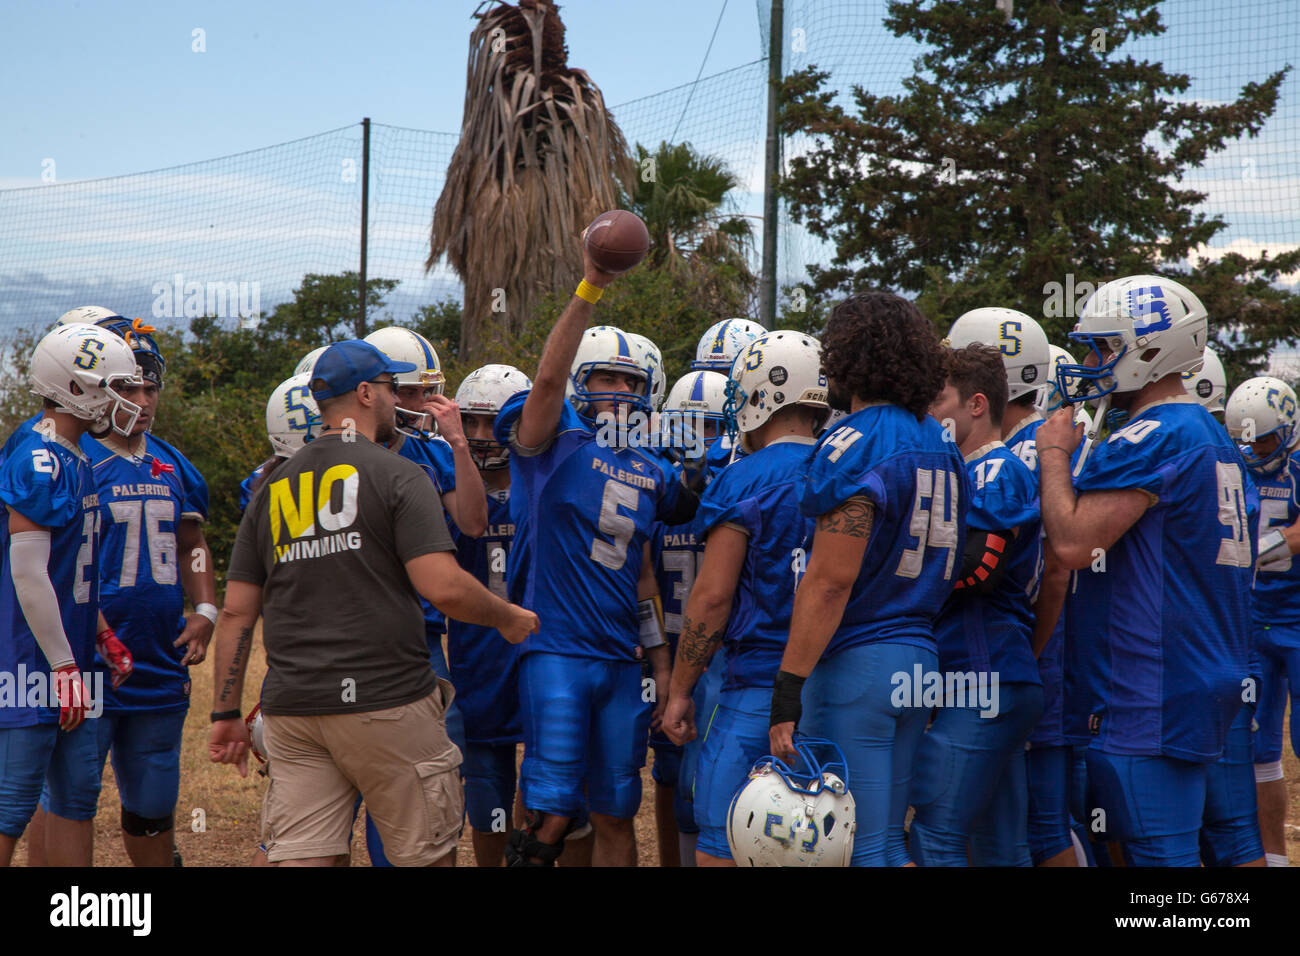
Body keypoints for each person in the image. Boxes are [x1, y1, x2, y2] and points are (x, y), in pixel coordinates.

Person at [208, 339, 537, 867]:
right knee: (422, 853)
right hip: (384, 696)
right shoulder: (396, 472)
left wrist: (224, 710)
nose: (397, 401)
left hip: (295, 705)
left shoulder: (274, 486)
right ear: (365, 394)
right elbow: (444, 586)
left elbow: (237, 612)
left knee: (305, 856)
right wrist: (508, 617)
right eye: (389, 389)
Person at [495, 244, 700, 867]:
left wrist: (663, 668)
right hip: (554, 647)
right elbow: (549, 380)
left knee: (616, 808)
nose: (618, 391)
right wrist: (589, 287)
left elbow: (641, 572)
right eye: (606, 378)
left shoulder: (651, 470)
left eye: (631, 381)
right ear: (583, 384)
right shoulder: (549, 446)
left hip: (619, 660)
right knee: (549, 808)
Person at [1040, 275, 1254, 867]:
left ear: (1152, 348)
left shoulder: (1157, 433)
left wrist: (1054, 453)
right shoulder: (1208, 434)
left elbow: (1073, 543)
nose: (1090, 362)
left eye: (1104, 347)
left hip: (1151, 686)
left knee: (1161, 865)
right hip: (1195, 673)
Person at [769, 291, 966, 867]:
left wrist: (786, 688)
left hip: (858, 662)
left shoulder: (856, 441)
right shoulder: (939, 441)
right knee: (882, 842)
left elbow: (830, 581)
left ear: (850, 357)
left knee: (845, 848)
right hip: (919, 661)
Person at [661, 331, 828, 866]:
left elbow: (711, 600)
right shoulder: (848, 465)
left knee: (724, 838)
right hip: (832, 685)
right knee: (822, 843)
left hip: (756, 685)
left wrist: (681, 689)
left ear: (761, 396)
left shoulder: (741, 479)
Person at [0, 324, 141, 866]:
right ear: (74, 389)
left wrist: (100, 631)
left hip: (74, 656)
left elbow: (64, 574)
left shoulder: (76, 454)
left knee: (78, 797)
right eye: (114, 386)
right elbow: (30, 575)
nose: (125, 400)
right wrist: (61, 668)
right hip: (34, 660)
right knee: (11, 804)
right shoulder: (39, 459)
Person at [78, 318, 216, 867]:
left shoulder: (172, 461)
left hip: (158, 657)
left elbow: (192, 543)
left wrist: (204, 608)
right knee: (68, 799)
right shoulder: (72, 458)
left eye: (149, 387)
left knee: (153, 803)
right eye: (128, 386)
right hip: (86, 658)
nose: (141, 399)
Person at [912, 343, 1044, 866]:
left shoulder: (993, 470)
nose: (929, 409)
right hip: (991, 674)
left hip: (983, 673)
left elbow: (977, 569)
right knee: (999, 848)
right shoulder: (965, 469)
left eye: (939, 397)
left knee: (936, 836)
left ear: (976, 404)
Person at [447, 363, 532, 866]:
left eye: (492, 423)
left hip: (540, 651)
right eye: (472, 423)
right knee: (487, 797)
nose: (482, 436)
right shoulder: (448, 491)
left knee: (548, 787)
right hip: (477, 657)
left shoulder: (543, 486)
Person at [649, 368, 731, 866]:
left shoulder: (738, 485)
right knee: (671, 778)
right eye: (688, 425)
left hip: (723, 662)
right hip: (671, 653)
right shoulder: (657, 487)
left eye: (710, 426)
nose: (698, 439)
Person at [1228, 376, 1300, 867]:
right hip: (1254, 622)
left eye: (1264, 438)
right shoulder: (1235, 466)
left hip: (1297, 622)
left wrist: (1255, 552)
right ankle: (1273, 860)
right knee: (1259, 751)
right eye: (1246, 439)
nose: (1254, 450)